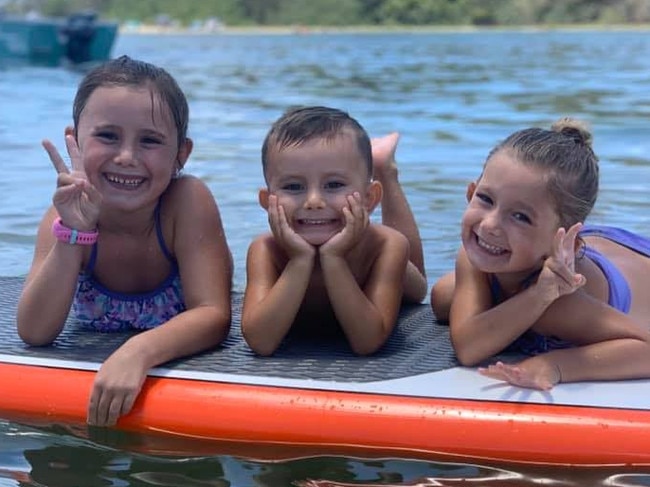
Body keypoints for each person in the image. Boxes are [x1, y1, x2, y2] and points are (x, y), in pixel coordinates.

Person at [16, 55, 233, 426]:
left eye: (150, 140)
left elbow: (213, 315)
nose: (127, 157)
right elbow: (35, 332)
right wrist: (73, 235)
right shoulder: (62, 217)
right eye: (107, 136)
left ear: (181, 155)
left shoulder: (186, 203)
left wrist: (139, 351)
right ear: (76, 141)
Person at [430, 118, 650, 390]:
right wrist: (533, 298)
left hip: (632, 264)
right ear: (470, 192)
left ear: (565, 243)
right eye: (486, 199)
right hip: (580, 244)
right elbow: (469, 341)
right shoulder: (474, 255)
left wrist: (555, 365)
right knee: (442, 297)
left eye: (520, 217)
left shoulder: (561, 302)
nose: (489, 225)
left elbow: (646, 349)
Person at [241, 106, 427, 356]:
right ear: (267, 201)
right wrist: (299, 259)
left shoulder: (385, 246)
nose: (314, 201)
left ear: (370, 198)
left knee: (416, 289)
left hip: (376, 255)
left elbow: (368, 342)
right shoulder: (266, 250)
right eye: (294, 186)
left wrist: (334, 258)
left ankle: (385, 170)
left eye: (334, 184)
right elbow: (260, 342)